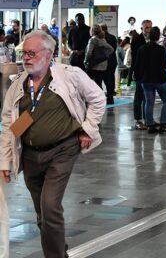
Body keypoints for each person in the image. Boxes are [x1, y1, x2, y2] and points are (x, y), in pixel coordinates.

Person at [0, 30, 106, 258]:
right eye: (24, 53)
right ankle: (57, 249)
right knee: (42, 214)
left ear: (48, 54)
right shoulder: (19, 84)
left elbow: (98, 98)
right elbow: (11, 125)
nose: (26, 58)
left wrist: (88, 129)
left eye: (31, 53)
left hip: (62, 150)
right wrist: (5, 161)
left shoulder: (69, 75)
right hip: (30, 156)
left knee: (49, 206)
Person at [134, 27, 166, 134]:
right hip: (159, 79)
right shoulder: (160, 49)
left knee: (149, 102)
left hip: (146, 80)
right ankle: (163, 124)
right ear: (158, 37)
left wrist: (138, 77)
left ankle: (150, 125)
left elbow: (137, 65)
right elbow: (165, 64)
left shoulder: (142, 48)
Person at [130, 20, 152, 129]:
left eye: (150, 27)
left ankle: (147, 119)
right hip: (140, 71)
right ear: (142, 28)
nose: (148, 29)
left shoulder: (153, 39)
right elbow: (135, 58)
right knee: (139, 96)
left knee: (148, 96)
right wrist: (135, 71)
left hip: (150, 71)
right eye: (146, 27)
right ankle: (138, 119)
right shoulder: (136, 40)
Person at [84, 25, 114, 94]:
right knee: (99, 83)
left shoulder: (93, 40)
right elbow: (111, 49)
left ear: (92, 31)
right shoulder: (103, 39)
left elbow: (89, 53)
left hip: (94, 65)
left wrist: (85, 61)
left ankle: (94, 97)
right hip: (103, 65)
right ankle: (100, 96)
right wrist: (105, 55)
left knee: (89, 82)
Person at [100, 24, 119, 106]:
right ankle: (110, 98)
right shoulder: (113, 37)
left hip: (104, 62)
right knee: (111, 79)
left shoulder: (101, 38)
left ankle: (104, 98)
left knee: (105, 80)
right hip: (113, 62)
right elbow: (114, 48)